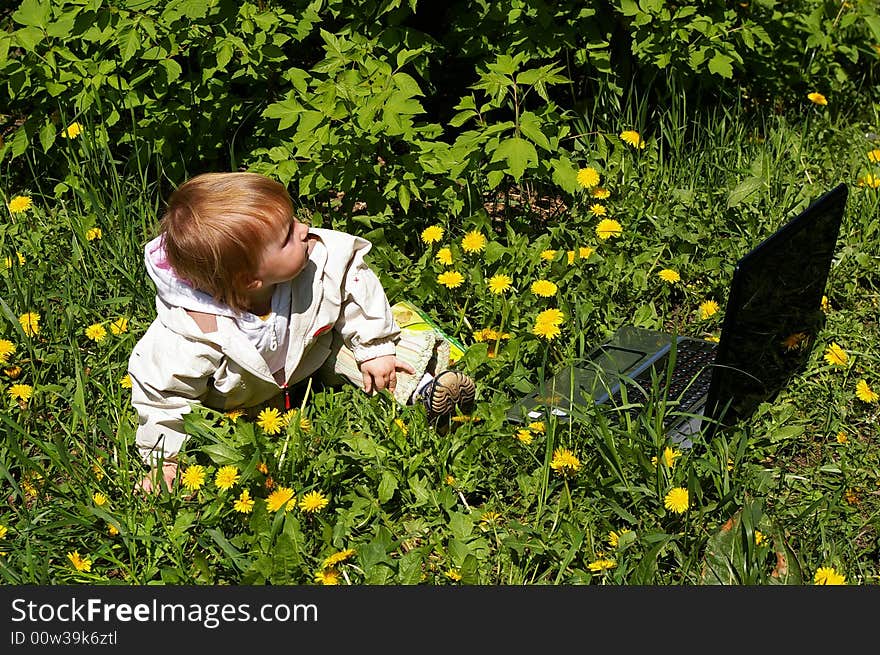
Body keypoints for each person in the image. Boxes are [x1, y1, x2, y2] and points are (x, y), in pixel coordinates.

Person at [129, 172, 475, 493]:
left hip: (312, 352)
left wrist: (375, 346)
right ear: (252, 281)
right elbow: (163, 397)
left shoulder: (318, 256)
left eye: (294, 220)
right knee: (210, 424)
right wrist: (165, 461)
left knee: (377, 353)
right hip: (237, 402)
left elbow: (352, 275)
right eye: (286, 235)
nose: (305, 227)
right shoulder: (187, 337)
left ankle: (427, 389)